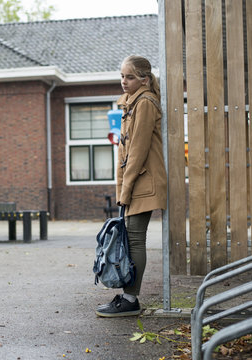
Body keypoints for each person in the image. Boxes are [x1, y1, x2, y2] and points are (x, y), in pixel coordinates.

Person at [96, 55, 167, 317]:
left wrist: (124, 191)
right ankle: (128, 296)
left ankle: (130, 300)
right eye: (122, 76)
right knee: (131, 237)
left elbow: (137, 151)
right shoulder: (133, 103)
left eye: (130, 77)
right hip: (138, 181)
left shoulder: (145, 103)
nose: (124, 82)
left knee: (135, 238)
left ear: (144, 79)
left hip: (143, 181)